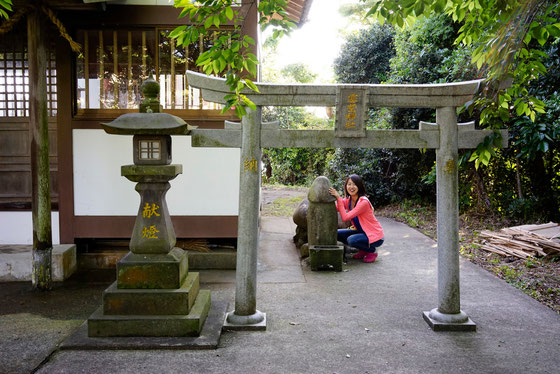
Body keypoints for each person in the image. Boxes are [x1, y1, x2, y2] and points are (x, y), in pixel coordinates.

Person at [328, 174, 384, 263]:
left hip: (374, 236)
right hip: (361, 232)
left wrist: (338, 198)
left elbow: (345, 217)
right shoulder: (349, 200)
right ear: (346, 186)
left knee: (351, 240)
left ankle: (372, 251)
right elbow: (337, 208)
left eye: (354, 184)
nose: (351, 187)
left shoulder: (363, 202)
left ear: (359, 186)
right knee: (336, 233)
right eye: (349, 184)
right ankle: (363, 250)